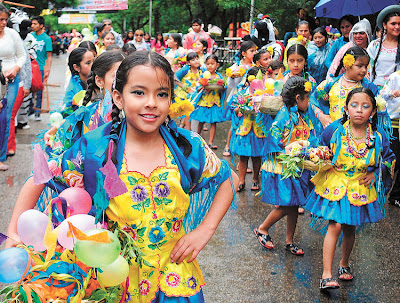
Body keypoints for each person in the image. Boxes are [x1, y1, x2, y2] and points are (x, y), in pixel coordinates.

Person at [5, 51, 238, 302]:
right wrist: (13, 235)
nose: (151, 102)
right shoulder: (95, 149)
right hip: (113, 282)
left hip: (175, 281)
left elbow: (229, 179)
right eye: (139, 92)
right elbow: (37, 177)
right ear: (118, 97)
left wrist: (205, 230)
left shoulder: (187, 146)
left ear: (171, 99)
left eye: (161, 94)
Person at [304, 88, 395, 289]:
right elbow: (320, 147)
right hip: (336, 184)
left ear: (372, 112)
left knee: (350, 227)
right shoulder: (335, 130)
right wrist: (321, 157)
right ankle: (326, 274)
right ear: (346, 108)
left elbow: (389, 159)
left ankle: (344, 263)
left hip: (359, 188)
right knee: (334, 225)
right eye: (354, 105)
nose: (359, 110)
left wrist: (376, 172)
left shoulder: (378, 136)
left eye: (365, 106)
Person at [254, 76, 318, 255]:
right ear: (298, 98)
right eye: (307, 98)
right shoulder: (284, 115)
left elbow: (311, 135)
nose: (309, 102)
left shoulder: (301, 115)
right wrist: (288, 150)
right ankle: (262, 228)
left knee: (294, 204)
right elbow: (274, 140)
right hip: (284, 167)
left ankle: (289, 241)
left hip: (298, 166)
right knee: (288, 205)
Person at [311, 46, 377, 129]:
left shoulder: (369, 87)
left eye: (366, 66)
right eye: (360, 66)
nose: (364, 70)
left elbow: (379, 111)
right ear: (347, 64)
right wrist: (321, 116)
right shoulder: (329, 84)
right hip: (333, 134)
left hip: (360, 136)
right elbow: (312, 102)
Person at [231, 67, 268, 192]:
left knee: (257, 157)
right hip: (245, 129)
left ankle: (255, 180)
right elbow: (235, 110)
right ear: (248, 80)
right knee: (243, 157)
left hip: (259, 129)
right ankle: (241, 181)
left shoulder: (265, 94)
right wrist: (243, 107)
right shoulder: (242, 93)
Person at [0, 4, 27, 171]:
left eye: (5, 19)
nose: (3, 23)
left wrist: (16, 68)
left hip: (10, 81)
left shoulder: (12, 34)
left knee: (5, 117)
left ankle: (1, 156)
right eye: (0, 20)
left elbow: (22, 55)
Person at [224, 41, 257, 157]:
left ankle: (245, 152)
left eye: (255, 51)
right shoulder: (236, 66)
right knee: (234, 125)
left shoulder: (255, 67)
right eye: (251, 51)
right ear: (243, 53)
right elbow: (230, 85)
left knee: (248, 126)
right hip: (238, 100)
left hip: (251, 100)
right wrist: (233, 77)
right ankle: (228, 146)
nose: (254, 53)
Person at [190, 54, 225, 149]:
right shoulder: (203, 76)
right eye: (208, 64)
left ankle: (210, 142)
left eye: (212, 64)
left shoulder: (219, 77)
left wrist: (221, 87)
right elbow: (198, 88)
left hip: (214, 103)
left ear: (217, 65)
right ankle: (198, 139)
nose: (210, 66)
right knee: (201, 121)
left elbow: (223, 88)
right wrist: (202, 86)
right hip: (204, 102)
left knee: (213, 123)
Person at [380, 69, 400, 207]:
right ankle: (380, 190)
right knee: (393, 160)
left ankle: (396, 195)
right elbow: (382, 94)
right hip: (393, 124)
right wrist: (391, 94)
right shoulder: (395, 77)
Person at [368, 5, 400, 88]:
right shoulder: (374, 45)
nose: (397, 27)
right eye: (393, 24)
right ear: (384, 25)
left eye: (399, 24)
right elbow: (368, 68)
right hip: (376, 89)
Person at [61, 47, 95, 116]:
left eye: (94, 61)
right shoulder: (73, 90)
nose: (93, 65)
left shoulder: (98, 79)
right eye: (88, 63)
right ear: (76, 67)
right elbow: (68, 114)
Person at [31, 15, 52, 121]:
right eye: (32, 23)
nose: (32, 26)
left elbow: (49, 56)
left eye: (35, 24)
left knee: (39, 91)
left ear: (41, 25)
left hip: (40, 68)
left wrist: (48, 69)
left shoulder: (47, 39)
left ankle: (37, 112)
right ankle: (29, 110)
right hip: (29, 67)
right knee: (28, 90)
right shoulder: (30, 36)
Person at [174, 52, 203, 129]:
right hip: (185, 95)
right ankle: (188, 129)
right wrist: (184, 87)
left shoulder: (200, 70)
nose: (196, 61)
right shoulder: (185, 69)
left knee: (191, 112)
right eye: (193, 60)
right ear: (188, 62)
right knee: (188, 112)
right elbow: (174, 77)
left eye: (197, 59)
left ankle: (182, 127)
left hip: (195, 94)